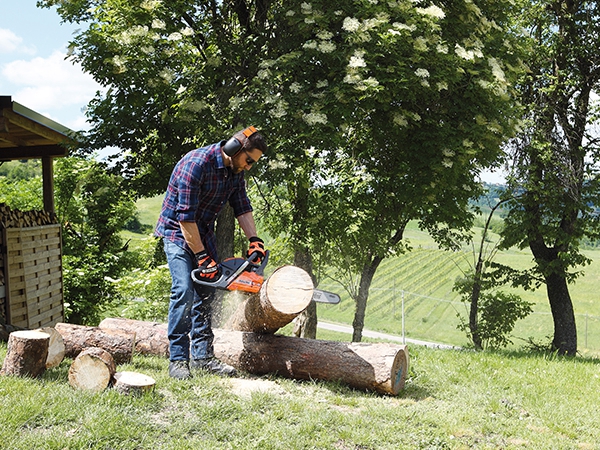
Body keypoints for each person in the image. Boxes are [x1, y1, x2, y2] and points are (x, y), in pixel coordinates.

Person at [155, 126, 268, 379]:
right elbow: (185, 219)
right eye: (248, 160)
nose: (249, 166)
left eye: (253, 163)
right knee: (184, 290)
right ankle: (178, 359)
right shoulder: (195, 164)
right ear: (234, 148)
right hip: (177, 232)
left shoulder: (235, 172)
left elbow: (242, 205)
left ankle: (203, 356)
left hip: (203, 232)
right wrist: (202, 257)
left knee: (207, 294)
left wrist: (254, 240)